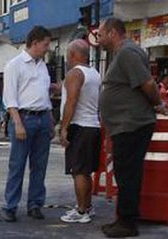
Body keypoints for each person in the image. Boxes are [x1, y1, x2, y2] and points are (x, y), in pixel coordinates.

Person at [98, 17, 168, 238]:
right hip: (125, 124)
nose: (99, 39)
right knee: (124, 173)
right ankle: (123, 218)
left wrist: (158, 104)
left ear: (112, 33)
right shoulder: (123, 53)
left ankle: (127, 222)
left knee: (128, 173)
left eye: (101, 34)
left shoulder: (127, 53)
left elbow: (147, 83)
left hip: (131, 123)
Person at [0, 25, 55, 222]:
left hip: (42, 117)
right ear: (35, 43)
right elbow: (10, 98)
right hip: (24, 117)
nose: (48, 48)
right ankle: (10, 206)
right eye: (45, 44)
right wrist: (18, 123)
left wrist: (50, 120)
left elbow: (44, 95)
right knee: (17, 164)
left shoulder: (42, 66)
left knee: (40, 165)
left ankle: (35, 204)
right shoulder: (15, 65)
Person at [59, 39, 102, 225]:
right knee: (86, 171)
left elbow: (72, 101)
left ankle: (81, 210)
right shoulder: (94, 73)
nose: (67, 58)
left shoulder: (75, 73)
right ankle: (88, 206)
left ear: (73, 54)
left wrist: (64, 128)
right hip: (93, 125)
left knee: (78, 171)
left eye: (68, 54)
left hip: (79, 126)